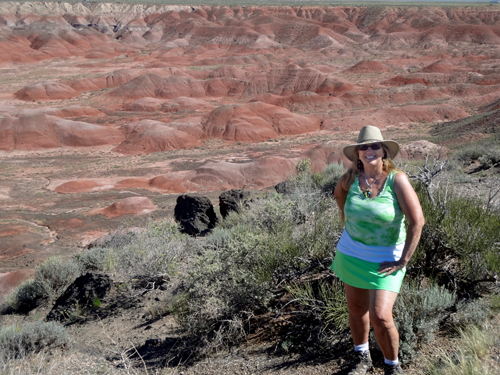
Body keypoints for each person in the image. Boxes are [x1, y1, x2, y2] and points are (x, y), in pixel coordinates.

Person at [332, 125, 424, 375]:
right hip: (352, 255)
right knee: (356, 310)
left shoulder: (397, 180)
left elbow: (417, 222)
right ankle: (361, 357)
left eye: (374, 146)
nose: (369, 150)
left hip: (387, 258)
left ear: (384, 151)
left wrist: (403, 260)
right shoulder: (349, 179)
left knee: (381, 316)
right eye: (364, 147)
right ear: (358, 154)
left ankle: (392, 367)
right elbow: (340, 200)